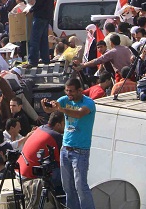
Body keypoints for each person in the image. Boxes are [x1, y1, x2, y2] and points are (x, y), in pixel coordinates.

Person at [46, 78, 96, 209]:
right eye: (67, 91)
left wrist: (61, 109)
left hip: (80, 151)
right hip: (66, 149)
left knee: (81, 187)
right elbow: (51, 110)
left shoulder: (89, 103)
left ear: (80, 90)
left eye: (72, 91)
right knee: (68, 187)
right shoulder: (64, 100)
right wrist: (47, 106)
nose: (69, 94)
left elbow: (79, 114)